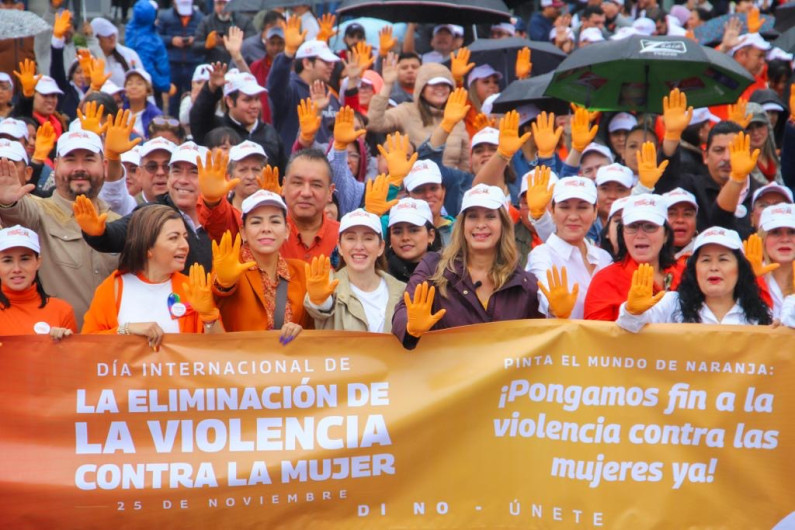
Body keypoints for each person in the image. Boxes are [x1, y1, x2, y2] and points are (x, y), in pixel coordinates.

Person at [0, 123, 136, 328]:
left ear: (104, 166)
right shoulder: (37, 211)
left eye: (89, 159)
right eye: (70, 159)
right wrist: (8, 203)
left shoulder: (118, 222)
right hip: (57, 349)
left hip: (111, 351)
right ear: (55, 165)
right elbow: (17, 212)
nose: (79, 168)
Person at [392, 184, 544, 350]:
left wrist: (558, 316)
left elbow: (541, 344)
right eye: (472, 217)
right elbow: (403, 311)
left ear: (503, 224)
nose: (480, 224)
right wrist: (409, 328)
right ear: (462, 224)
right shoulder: (433, 267)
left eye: (490, 217)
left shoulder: (524, 282)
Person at [83, 205, 223, 345]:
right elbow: (87, 345)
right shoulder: (113, 288)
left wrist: (209, 318)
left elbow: (220, 353)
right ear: (148, 247)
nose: (185, 245)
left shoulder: (193, 289)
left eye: (185, 237)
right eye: (173, 238)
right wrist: (126, 330)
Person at [616, 227, 772, 331]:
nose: (714, 267)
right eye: (705, 260)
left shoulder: (757, 313)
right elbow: (629, 327)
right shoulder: (673, 303)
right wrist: (633, 311)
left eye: (723, 259)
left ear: (740, 268)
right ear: (694, 268)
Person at [210, 191, 309, 340]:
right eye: (256, 222)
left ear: (287, 230)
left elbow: (315, 329)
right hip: (243, 360)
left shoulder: (302, 271)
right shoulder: (230, 265)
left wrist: (301, 331)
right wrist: (223, 284)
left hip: (289, 361)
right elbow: (219, 291)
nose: (266, 228)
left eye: (275, 221)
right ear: (243, 231)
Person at [585, 193, 685, 320]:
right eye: (632, 227)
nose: (640, 235)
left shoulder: (686, 274)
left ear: (666, 235)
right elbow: (594, 336)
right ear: (622, 234)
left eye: (650, 227)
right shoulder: (606, 280)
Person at [304, 209, 406, 332]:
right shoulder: (326, 284)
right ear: (340, 247)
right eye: (351, 238)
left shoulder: (402, 291)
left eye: (368, 238)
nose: (359, 247)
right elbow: (320, 309)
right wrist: (319, 301)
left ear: (381, 247)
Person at [527, 177, 613, 319]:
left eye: (582, 207)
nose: (573, 216)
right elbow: (544, 296)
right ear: (552, 211)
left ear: (595, 212)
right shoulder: (542, 255)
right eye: (565, 207)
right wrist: (553, 308)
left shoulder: (604, 257)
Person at [368, 54, 470, 172]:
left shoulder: (457, 119)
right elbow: (374, 123)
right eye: (434, 84)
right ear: (421, 89)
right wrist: (387, 85)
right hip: (414, 183)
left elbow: (464, 164)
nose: (440, 88)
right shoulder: (406, 111)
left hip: (450, 185)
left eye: (445, 85)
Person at [190, 64, 286, 171]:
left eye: (257, 99)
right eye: (247, 100)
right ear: (230, 101)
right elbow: (198, 117)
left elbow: (282, 173)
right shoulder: (215, 128)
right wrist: (211, 88)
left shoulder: (270, 133)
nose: (254, 106)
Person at [266, 19, 342, 147]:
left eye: (332, 62)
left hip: (325, 164)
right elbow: (275, 86)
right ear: (307, 63)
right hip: (295, 163)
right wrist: (288, 54)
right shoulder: (290, 89)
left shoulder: (330, 95)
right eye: (326, 62)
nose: (332, 66)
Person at [0, 225, 76, 339]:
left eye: (25, 259)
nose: (16, 269)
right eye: (7, 261)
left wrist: (62, 346)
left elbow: (73, 356)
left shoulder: (62, 311)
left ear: (38, 262)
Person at [158, 0, 205, 113]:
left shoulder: (201, 17)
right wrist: (171, 40)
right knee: (173, 100)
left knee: (194, 98)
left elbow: (205, 38)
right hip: (173, 63)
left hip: (194, 62)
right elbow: (157, 36)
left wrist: (194, 40)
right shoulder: (165, 16)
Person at [125, 0, 171, 98]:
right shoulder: (146, 40)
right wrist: (164, 85)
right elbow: (146, 67)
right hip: (151, 89)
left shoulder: (133, 30)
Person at [756, 203, 795, 319]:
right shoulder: (750, 277)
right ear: (762, 238)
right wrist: (748, 283)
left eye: (792, 232)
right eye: (775, 232)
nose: (785, 239)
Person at [386, 198, 437, 283]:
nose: (405, 237)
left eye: (414, 230)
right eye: (397, 232)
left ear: (431, 235)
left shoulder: (448, 271)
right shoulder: (379, 275)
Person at [192, 0, 256, 65]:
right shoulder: (206, 22)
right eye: (219, 4)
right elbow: (195, 46)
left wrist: (231, 43)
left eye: (225, 4)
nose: (223, 7)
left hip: (236, 65)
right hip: (213, 64)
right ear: (214, 5)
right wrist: (206, 45)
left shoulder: (244, 21)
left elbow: (251, 44)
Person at [90, 17, 143, 87]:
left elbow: (143, 80)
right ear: (96, 38)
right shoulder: (89, 58)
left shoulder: (129, 54)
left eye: (113, 34)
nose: (112, 38)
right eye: (107, 36)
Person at [123, 69, 163, 139]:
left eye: (139, 83)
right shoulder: (119, 111)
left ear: (148, 90)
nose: (134, 87)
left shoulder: (156, 114)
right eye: (129, 83)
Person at [663, 187, 699, 259]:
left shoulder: (705, 251)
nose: (680, 220)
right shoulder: (647, 254)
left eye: (687, 214)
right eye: (672, 214)